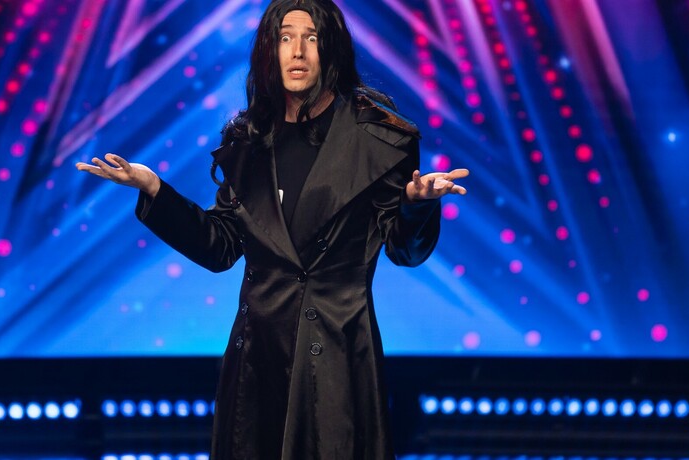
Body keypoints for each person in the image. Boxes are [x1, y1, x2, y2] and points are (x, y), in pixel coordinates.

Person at [76, 0, 468, 458]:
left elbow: (406, 251)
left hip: (337, 359)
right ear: (269, 50)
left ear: (331, 49)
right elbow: (219, 247)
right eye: (285, 38)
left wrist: (417, 205)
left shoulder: (380, 141)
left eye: (311, 38)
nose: (297, 51)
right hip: (258, 365)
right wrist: (155, 190)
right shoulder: (248, 143)